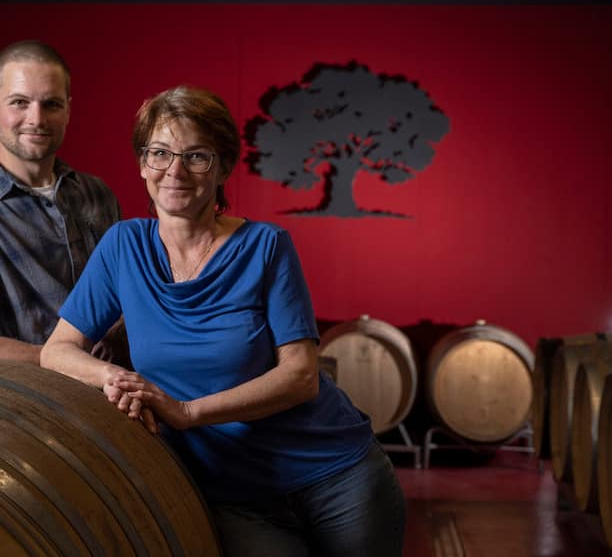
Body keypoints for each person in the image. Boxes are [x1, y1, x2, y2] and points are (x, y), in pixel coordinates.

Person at [40, 86, 406, 556]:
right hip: (234, 496)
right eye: (159, 153)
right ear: (141, 164)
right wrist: (119, 378)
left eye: (196, 156)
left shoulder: (266, 246)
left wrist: (187, 412)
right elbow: (57, 349)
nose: (175, 170)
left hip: (337, 475)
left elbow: (300, 377)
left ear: (223, 168)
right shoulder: (122, 246)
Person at [0, 40, 123, 364]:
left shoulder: (97, 194)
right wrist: (82, 367)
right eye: (19, 102)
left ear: (69, 110)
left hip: (112, 403)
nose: (36, 118)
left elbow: (130, 298)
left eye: (52, 104)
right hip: (25, 408)